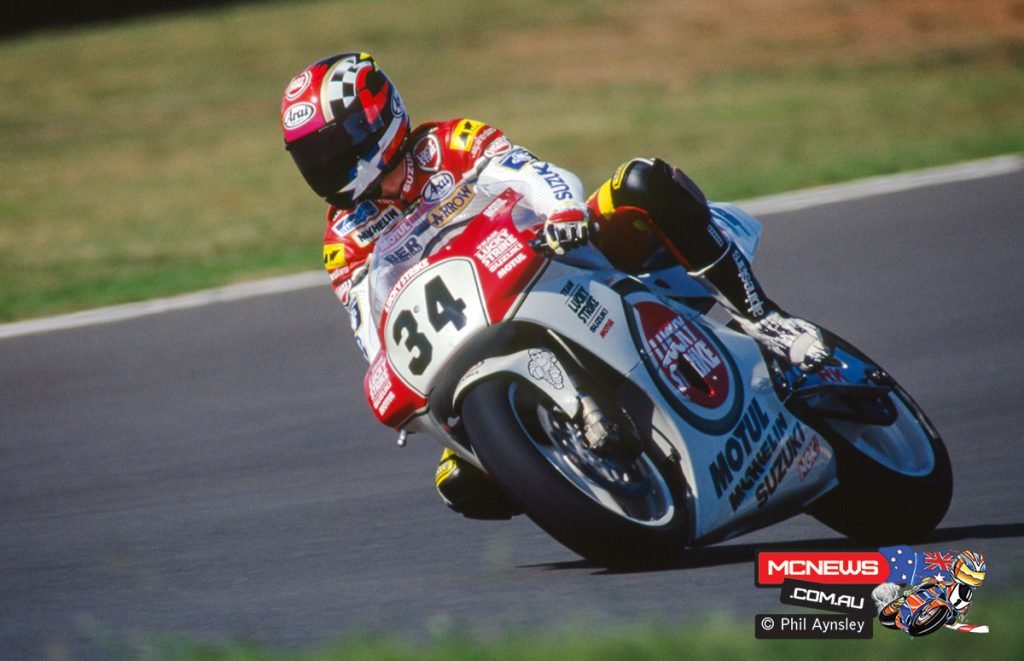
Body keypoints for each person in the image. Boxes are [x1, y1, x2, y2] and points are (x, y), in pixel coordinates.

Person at [281, 52, 830, 519]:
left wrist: (564, 210)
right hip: (472, 328)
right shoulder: (343, 235)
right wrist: (388, 378)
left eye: (331, 146)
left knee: (642, 182)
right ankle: (575, 472)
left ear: (376, 121)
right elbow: (369, 324)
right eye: (310, 156)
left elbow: (528, 170)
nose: (325, 165)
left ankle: (767, 320)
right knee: (461, 485)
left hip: (562, 255)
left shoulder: (446, 144)